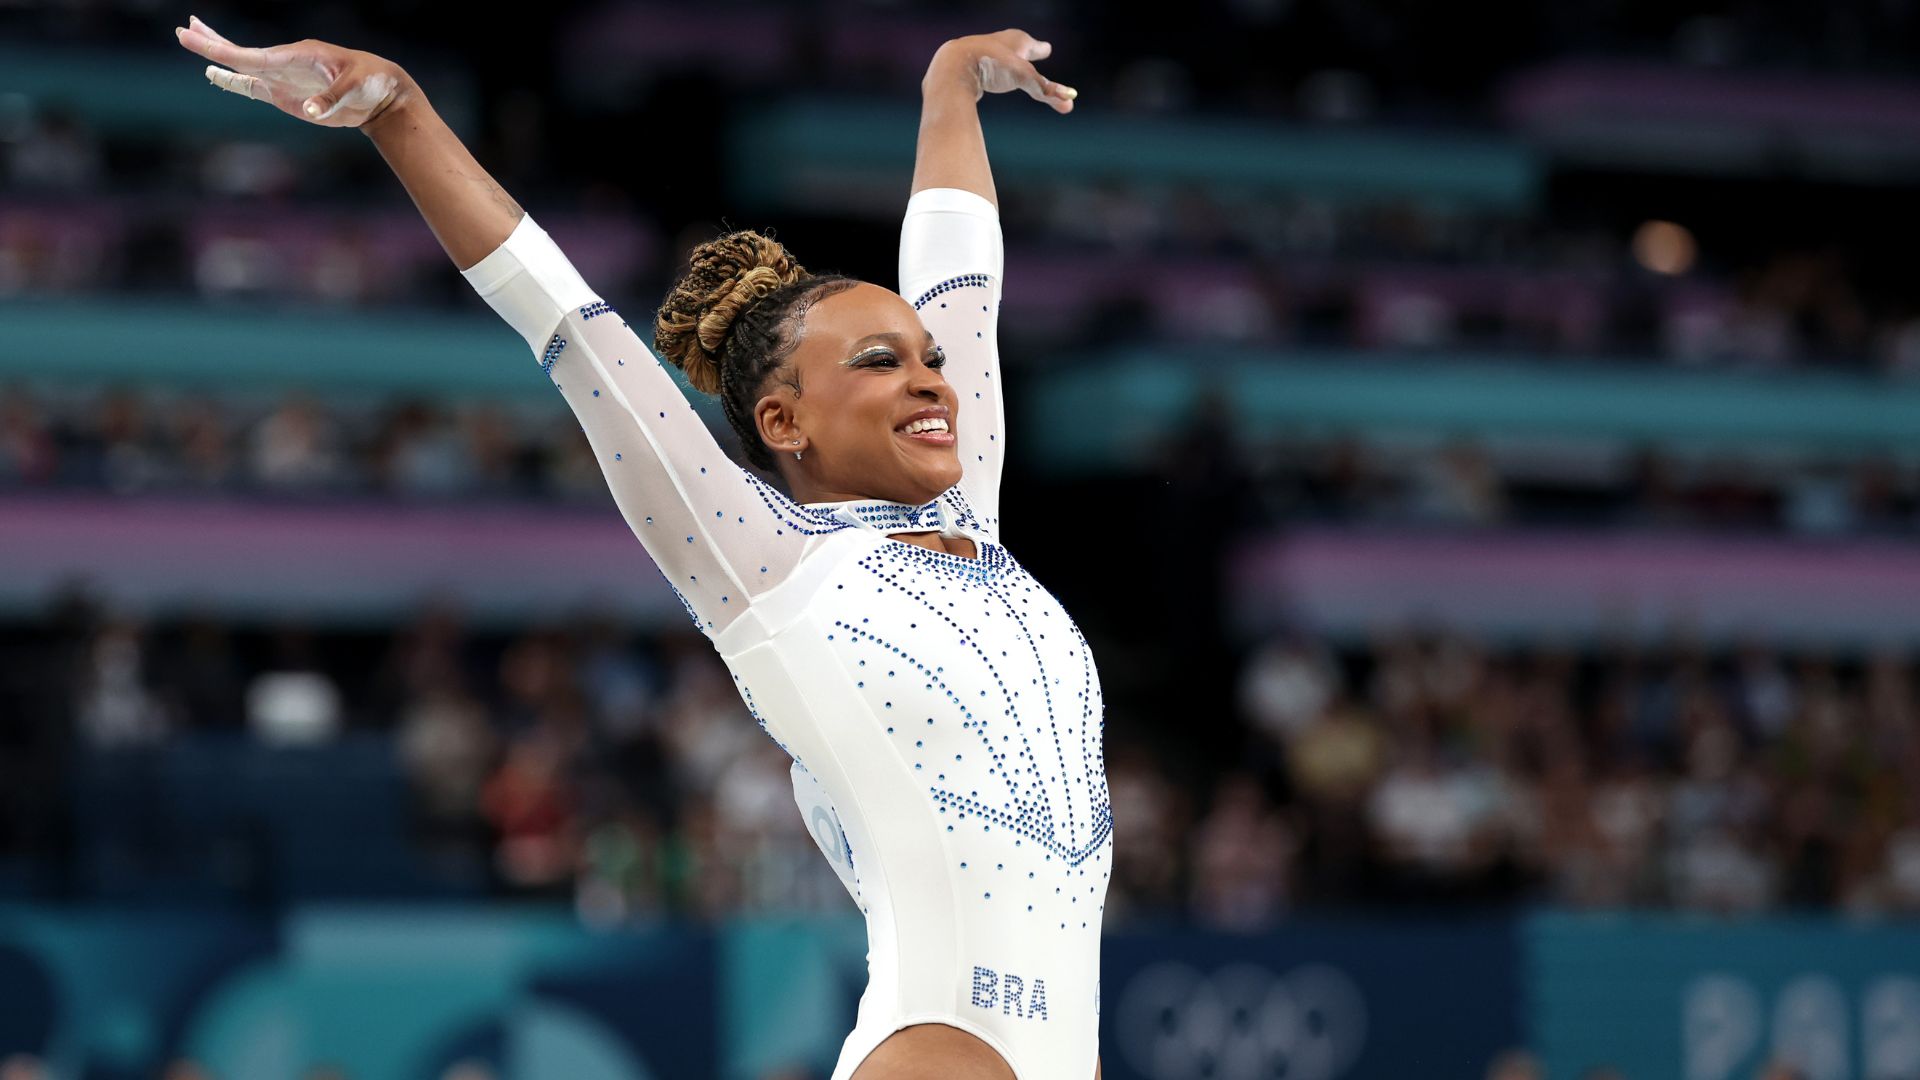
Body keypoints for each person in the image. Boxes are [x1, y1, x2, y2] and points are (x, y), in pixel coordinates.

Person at [174, 17, 1108, 1080]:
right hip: (948, 1045)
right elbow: (567, 325)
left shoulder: (973, 513)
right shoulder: (769, 562)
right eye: (881, 363)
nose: (933, 378)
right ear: (785, 422)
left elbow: (961, 282)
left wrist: (950, 84)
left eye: (930, 362)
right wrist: (398, 111)